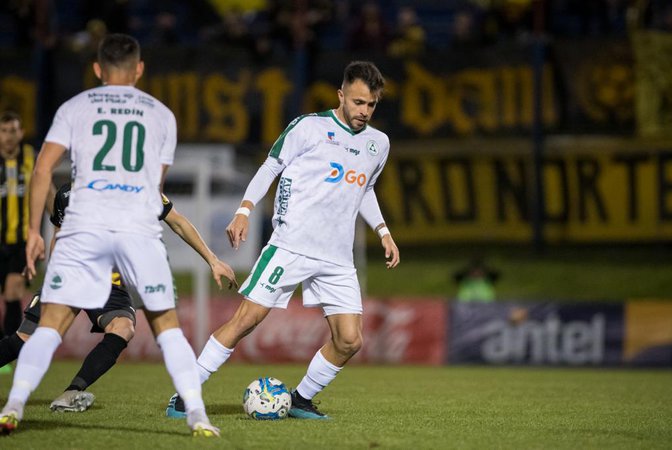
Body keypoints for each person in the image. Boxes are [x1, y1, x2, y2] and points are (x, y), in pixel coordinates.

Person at [0, 33, 219, 437]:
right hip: (135, 227)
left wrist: (34, 230)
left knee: (50, 326)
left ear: (97, 69)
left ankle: (13, 406)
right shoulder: (161, 115)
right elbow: (155, 188)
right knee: (167, 327)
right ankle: (198, 418)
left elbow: (43, 169)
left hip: (83, 227)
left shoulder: (75, 107)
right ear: (139, 69)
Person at [166, 60, 400, 420]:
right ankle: (185, 394)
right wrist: (244, 210)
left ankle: (301, 399)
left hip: (337, 257)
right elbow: (271, 166)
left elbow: (365, 189)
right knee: (247, 319)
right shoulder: (308, 127)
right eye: (357, 102)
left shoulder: (378, 144)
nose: (364, 112)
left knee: (350, 340)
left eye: (371, 105)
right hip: (291, 245)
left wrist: (383, 232)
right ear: (341, 95)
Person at [0, 183, 237, 412]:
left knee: (123, 327)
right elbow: (59, 236)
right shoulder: (70, 194)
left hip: (111, 285)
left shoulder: (141, 190)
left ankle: (72, 392)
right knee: (25, 339)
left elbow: (178, 223)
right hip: (73, 276)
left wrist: (213, 260)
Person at [0, 112, 34, 341]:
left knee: (13, 291)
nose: (9, 136)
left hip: (22, 240)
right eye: (4, 131)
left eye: (13, 130)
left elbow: (47, 191)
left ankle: (8, 350)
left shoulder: (32, 158)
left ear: (21, 133)